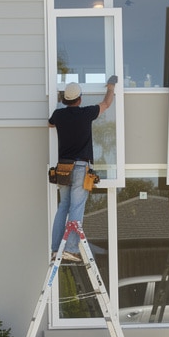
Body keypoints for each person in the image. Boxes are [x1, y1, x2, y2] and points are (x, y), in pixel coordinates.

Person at [48, 76, 116, 262]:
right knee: (76, 207)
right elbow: (107, 103)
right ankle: (70, 248)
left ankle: (56, 249)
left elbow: (50, 123)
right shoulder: (86, 113)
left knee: (63, 207)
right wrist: (111, 87)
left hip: (63, 168)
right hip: (80, 167)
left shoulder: (59, 115)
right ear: (79, 99)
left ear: (65, 100)